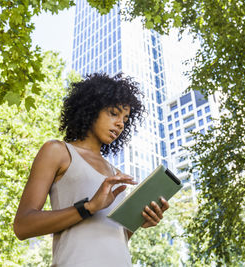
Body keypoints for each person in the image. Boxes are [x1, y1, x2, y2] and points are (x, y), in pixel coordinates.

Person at [13, 73, 169, 266]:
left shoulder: (115, 173)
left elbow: (109, 237)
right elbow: (22, 226)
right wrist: (88, 207)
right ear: (91, 108)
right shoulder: (57, 151)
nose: (120, 123)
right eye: (114, 113)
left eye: (125, 119)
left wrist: (138, 222)